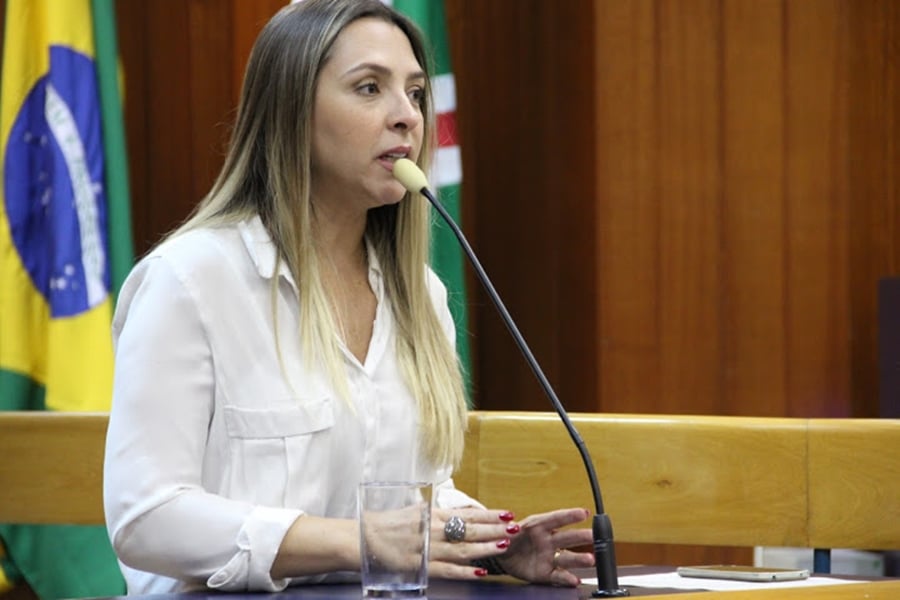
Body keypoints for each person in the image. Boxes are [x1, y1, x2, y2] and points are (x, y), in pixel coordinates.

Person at [103, 0, 595, 594]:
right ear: (290, 112)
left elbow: (417, 493)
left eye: (414, 93)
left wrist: (490, 544)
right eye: (369, 88)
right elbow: (146, 517)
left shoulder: (422, 294)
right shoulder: (190, 281)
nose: (407, 117)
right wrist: (356, 539)